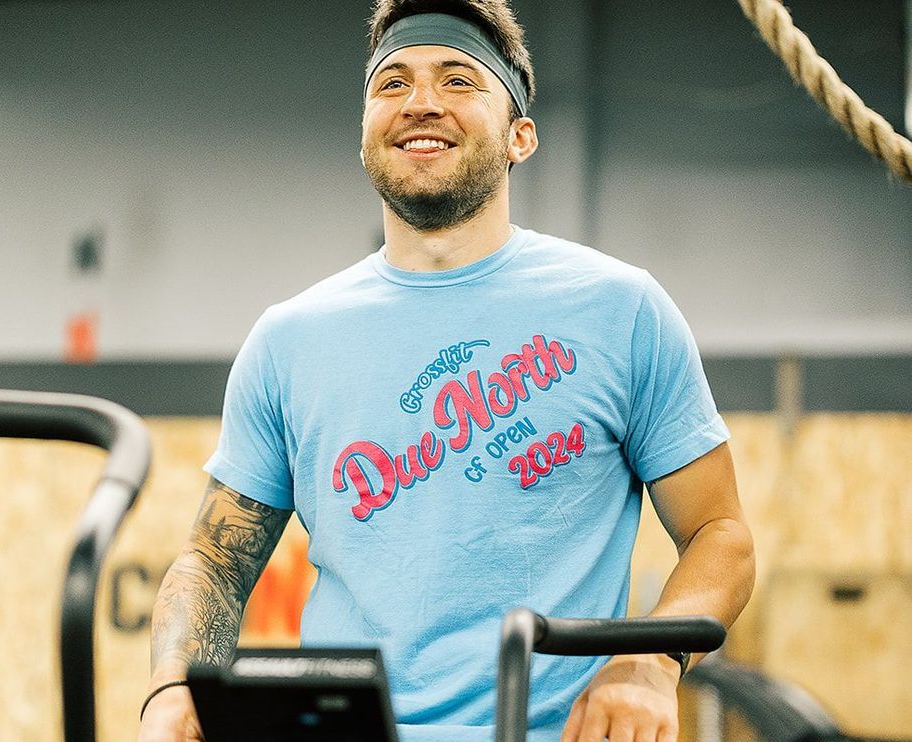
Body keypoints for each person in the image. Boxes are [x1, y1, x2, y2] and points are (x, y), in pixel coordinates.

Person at [138, 0, 756, 740]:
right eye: (391, 83)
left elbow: (721, 533)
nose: (420, 102)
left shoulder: (622, 311)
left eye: (459, 80)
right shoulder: (288, 341)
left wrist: (651, 662)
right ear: (365, 134)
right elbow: (214, 558)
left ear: (520, 135)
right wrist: (170, 688)